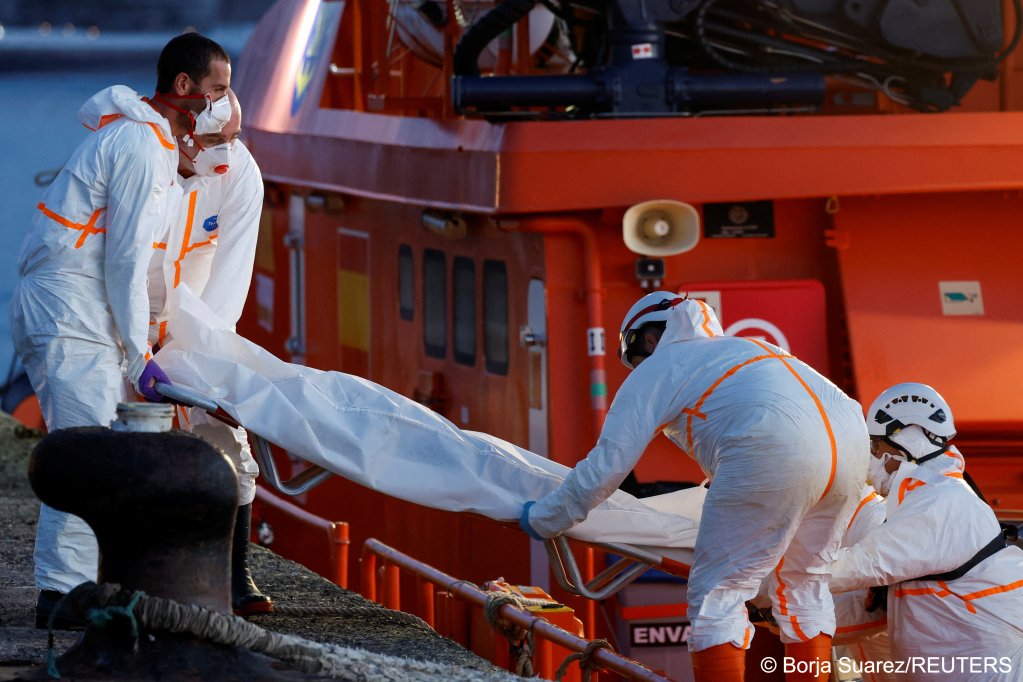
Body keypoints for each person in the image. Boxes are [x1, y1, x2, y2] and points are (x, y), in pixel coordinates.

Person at [520, 292, 869, 681]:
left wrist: (545, 517)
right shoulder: (752, 347)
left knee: (719, 594)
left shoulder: (662, 365)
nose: (637, 369)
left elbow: (607, 466)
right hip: (853, 450)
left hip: (772, 451)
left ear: (649, 341)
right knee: (806, 583)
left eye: (635, 360)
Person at [9, 32, 232, 629]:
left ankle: (78, 587)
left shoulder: (151, 144)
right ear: (184, 89)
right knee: (88, 446)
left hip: (75, 310)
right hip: (68, 312)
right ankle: (62, 594)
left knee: (96, 441)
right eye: (218, 89)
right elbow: (128, 261)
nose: (226, 102)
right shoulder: (138, 145)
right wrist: (139, 354)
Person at [148, 87, 270, 615]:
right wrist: (137, 341)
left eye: (235, 139)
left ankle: (233, 573)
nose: (227, 150)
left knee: (229, 446)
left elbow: (232, 276)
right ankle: (126, 570)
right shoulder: (144, 158)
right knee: (120, 439)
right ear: (186, 132)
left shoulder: (240, 176)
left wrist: (201, 354)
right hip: (125, 314)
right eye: (217, 140)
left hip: (199, 319)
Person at [828, 382, 1023, 681]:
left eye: (876, 445)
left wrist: (759, 581)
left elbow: (858, 566)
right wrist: (770, 612)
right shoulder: (923, 499)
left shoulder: (941, 501)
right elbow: (876, 608)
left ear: (910, 438)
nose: (871, 457)